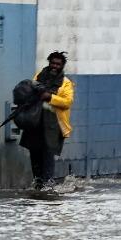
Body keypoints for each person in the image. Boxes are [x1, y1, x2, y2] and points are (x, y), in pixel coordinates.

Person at [21, 51, 75, 190]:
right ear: (49, 62)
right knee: (34, 153)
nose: (54, 66)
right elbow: (30, 90)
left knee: (47, 154)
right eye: (52, 63)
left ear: (62, 66)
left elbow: (67, 102)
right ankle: (37, 185)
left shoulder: (66, 83)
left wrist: (50, 98)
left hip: (53, 125)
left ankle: (48, 187)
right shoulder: (39, 76)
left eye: (58, 64)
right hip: (36, 121)